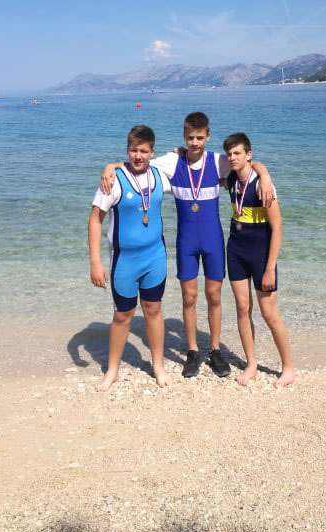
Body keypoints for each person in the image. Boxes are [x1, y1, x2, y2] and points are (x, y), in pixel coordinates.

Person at [101, 112, 275, 379]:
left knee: (214, 296)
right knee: (189, 297)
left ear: (208, 137)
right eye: (190, 137)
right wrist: (110, 166)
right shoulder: (173, 162)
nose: (194, 142)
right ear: (184, 136)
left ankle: (215, 349)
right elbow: (139, 163)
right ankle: (193, 350)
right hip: (186, 243)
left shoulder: (218, 161)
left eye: (199, 137)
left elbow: (248, 164)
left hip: (213, 240)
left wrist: (265, 175)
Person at [89, 124, 172, 391]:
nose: (138, 156)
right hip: (125, 261)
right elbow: (95, 221)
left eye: (144, 151)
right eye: (134, 150)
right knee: (123, 315)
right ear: (127, 150)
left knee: (153, 310)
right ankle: (112, 370)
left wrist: (259, 172)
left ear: (152, 152)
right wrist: (95, 262)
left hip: (155, 257)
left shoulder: (160, 175)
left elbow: (193, 166)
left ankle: (157, 365)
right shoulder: (112, 180)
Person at [222, 132, 295, 387]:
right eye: (229, 154)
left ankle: (288, 367)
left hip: (261, 254)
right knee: (242, 308)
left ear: (248, 155)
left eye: (237, 153)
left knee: (269, 313)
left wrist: (270, 267)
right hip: (235, 250)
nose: (232, 158)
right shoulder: (232, 177)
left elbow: (278, 227)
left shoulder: (263, 185)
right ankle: (251, 363)